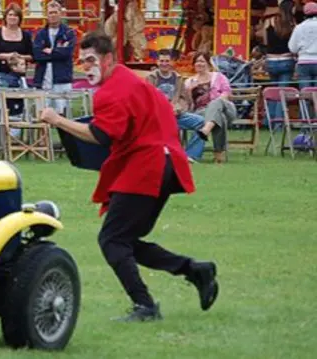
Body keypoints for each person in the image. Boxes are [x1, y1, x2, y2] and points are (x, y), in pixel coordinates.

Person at [39, 28, 219, 322]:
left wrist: (58, 120)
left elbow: (100, 135)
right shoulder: (130, 79)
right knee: (124, 240)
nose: (86, 66)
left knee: (112, 240)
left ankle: (145, 306)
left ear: (108, 58)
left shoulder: (111, 92)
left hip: (146, 167)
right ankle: (195, 270)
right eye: (83, 61)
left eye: (91, 59)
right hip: (166, 163)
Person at [146, 49, 205, 162]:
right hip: (158, 116)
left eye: (167, 61)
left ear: (172, 62)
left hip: (175, 114)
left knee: (201, 122)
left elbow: (183, 98)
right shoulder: (151, 78)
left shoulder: (178, 78)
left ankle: (190, 155)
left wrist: (179, 108)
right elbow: (147, 99)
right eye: (162, 61)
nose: (164, 64)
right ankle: (164, 152)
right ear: (157, 62)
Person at [184, 52, 235, 164]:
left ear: (208, 63)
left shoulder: (218, 77)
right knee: (218, 118)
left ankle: (205, 131)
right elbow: (188, 105)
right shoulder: (189, 82)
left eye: (202, 61)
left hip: (225, 108)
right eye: (197, 61)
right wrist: (189, 91)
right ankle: (219, 153)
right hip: (201, 112)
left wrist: (214, 105)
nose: (199, 63)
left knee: (216, 104)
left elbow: (227, 93)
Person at [32, 0, 75, 115]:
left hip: (62, 79)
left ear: (61, 14)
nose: (53, 15)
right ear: (46, 15)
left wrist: (50, 51)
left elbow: (67, 53)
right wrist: (57, 52)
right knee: (42, 115)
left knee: (63, 115)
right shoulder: (40, 34)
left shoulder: (68, 33)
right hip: (43, 79)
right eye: (50, 13)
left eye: (55, 12)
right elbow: (37, 55)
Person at [0, 3, 33, 75]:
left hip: (19, 75)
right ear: (5, 17)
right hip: (0, 75)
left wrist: (18, 57)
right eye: (10, 15)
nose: (12, 17)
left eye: (15, 15)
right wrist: (5, 56)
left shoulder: (26, 35)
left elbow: (32, 56)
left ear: (20, 18)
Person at [289, 1, 317, 89]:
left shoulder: (299, 27)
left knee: (305, 93)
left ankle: (306, 103)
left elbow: (292, 48)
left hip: (304, 63)